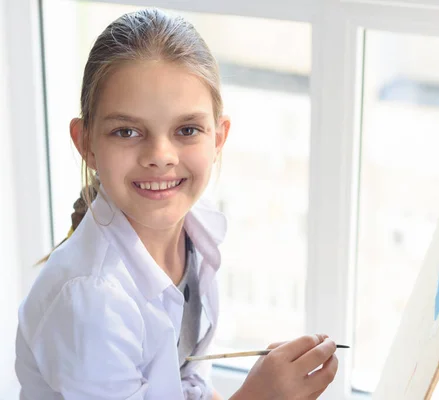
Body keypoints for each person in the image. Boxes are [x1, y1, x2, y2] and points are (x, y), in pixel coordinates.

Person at [15, 8, 339, 400]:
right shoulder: (91, 306)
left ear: (218, 139)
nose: (160, 155)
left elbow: (185, 388)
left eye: (187, 130)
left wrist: (265, 383)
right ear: (86, 143)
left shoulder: (194, 236)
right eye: (127, 131)